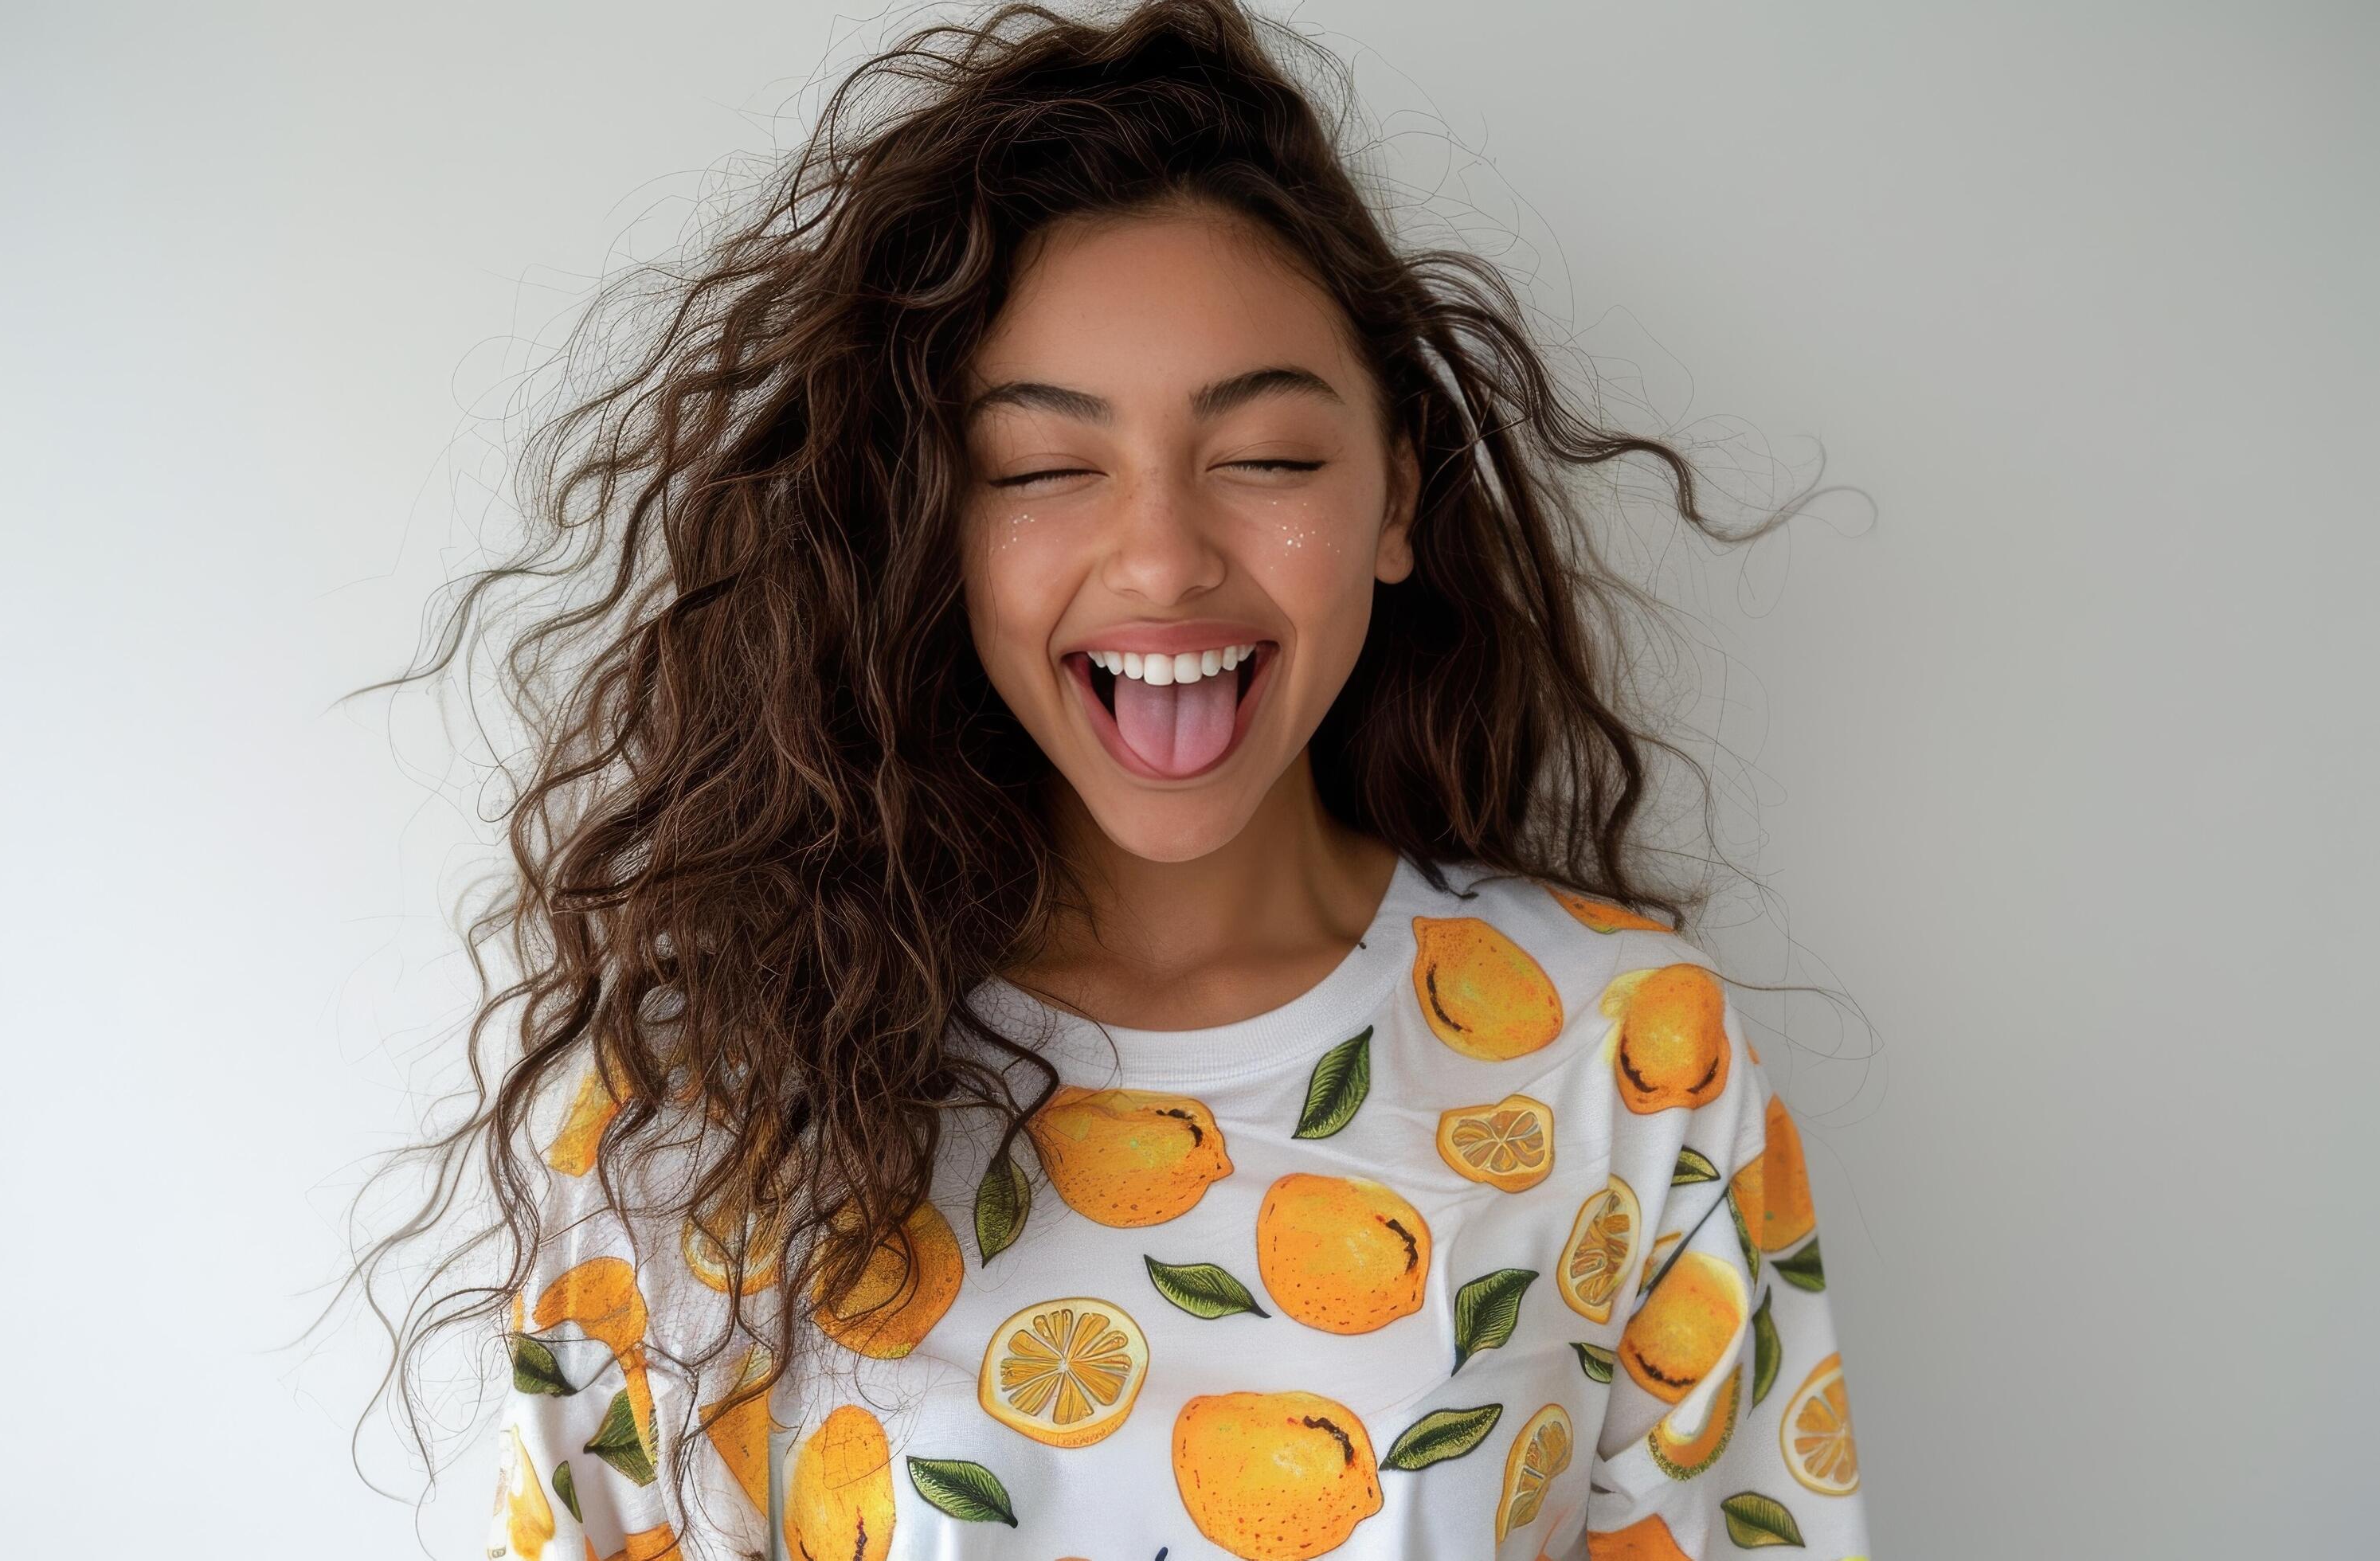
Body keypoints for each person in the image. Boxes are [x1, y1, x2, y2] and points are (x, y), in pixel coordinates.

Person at [386, 2, 1873, 1558]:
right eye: (1039, 468)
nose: (1163, 553)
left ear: (1395, 492)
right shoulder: (695, 1108)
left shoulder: (1630, 1057)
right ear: (929, 527)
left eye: (1271, 457)